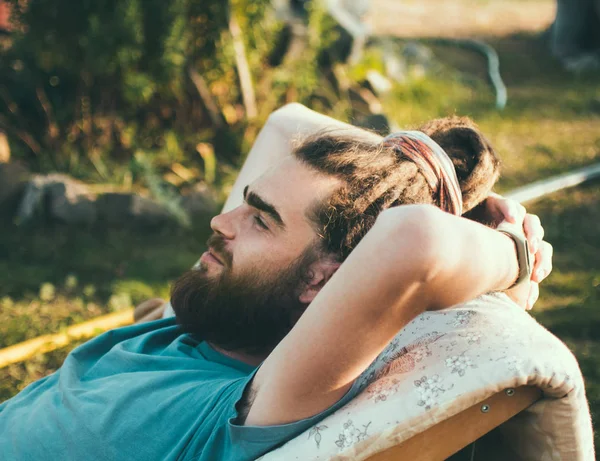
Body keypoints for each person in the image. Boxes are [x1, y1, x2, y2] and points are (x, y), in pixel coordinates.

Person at [0, 104, 552, 461]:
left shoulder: (250, 405)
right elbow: (287, 123)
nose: (221, 224)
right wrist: (411, 174)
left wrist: (516, 255)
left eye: (261, 219)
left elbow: (415, 242)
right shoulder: (206, 321)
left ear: (322, 280)